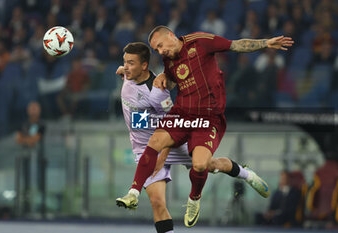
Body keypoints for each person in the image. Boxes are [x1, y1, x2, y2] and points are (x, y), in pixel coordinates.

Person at [117, 26, 293, 227]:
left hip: (207, 118)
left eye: (160, 46)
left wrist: (265, 43)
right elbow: (174, 80)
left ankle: (204, 194)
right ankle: (133, 193)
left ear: (171, 36)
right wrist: (165, 78)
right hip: (182, 114)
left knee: (203, 165)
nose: (160, 51)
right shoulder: (164, 62)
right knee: (155, 149)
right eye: (156, 50)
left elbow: (235, 45)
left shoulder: (200, 42)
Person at [116, 42, 254, 232]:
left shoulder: (157, 92)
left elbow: (171, 124)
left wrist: (163, 153)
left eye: (131, 63)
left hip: (163, 144)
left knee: (208, 165)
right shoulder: (127, 73)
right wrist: (122, 69)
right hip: (142, 148)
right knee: (157, 203)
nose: (126, 66)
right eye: (125, 62)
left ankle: (246, 174)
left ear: (144, 66)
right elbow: (125, 73)